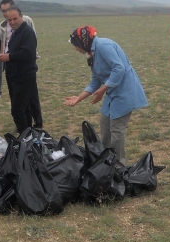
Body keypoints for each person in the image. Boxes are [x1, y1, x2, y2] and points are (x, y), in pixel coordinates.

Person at [63, 26, 148, 165]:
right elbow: (96, 80)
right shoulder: (92, 53)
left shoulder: (103, 45)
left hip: (124, 91)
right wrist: (79, 98)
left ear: (83, 41)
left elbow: (119, 68)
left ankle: (118, 165)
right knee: (105, 124)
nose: (76, 49)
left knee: (116, 130)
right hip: (112, 92)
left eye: (76, 46)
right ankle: (105, 160)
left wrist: (103, 89)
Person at [0, 7, 41, 134]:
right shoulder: (16, 32)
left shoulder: (27, 32)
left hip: (24, 76)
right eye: (9, 20)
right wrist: (4, 56)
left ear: (21, 16)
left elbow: (28, 53)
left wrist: (9, 56)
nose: (12, 22)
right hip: (14, 75)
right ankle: (29, 135)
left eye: (15, 19)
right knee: (25, 108)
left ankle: (24, 136)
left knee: (17, 109)